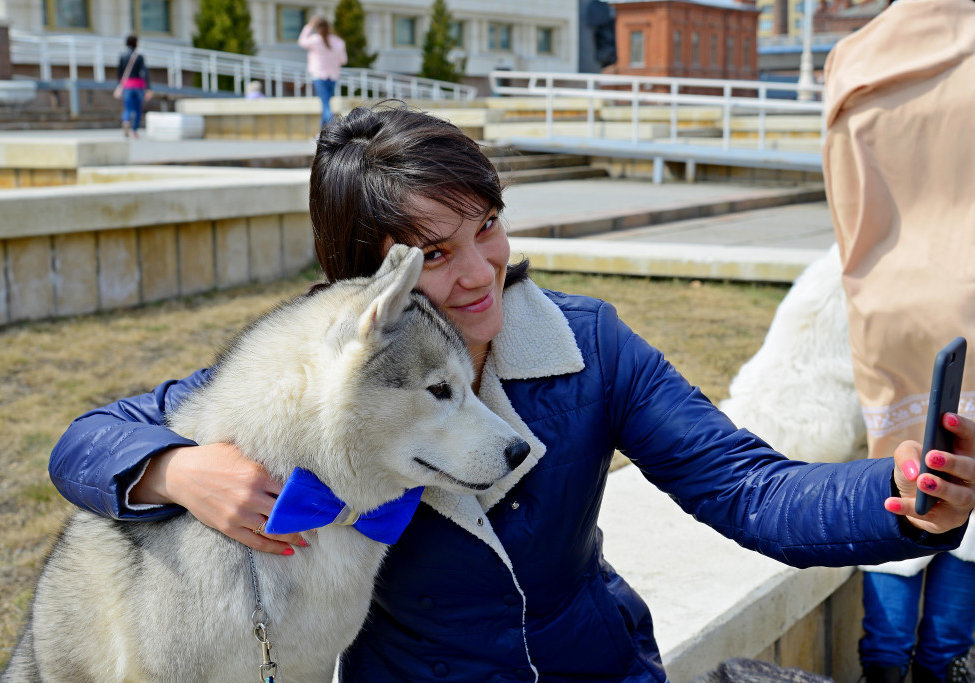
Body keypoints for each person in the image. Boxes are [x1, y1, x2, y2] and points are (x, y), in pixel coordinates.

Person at [49, 104, 975, 682]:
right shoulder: (311, 379)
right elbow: (87, 438)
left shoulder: (588, 343)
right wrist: (171, 467)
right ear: (367, 279)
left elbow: (745, 487)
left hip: (595, 666)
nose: (480, 269)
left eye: (486, 226)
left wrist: (901, 499)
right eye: (436, 252)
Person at [823, 0, 975, 681]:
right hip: (970, 292)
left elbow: (841, 196)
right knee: (967, 480)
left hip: (882, 297)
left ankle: (884, 660)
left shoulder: (854, 54)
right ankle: (937, 663)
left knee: (901, 473)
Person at [298, 16, 347, 129]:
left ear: (317, 28)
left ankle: (334, 129)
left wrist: (309, 25)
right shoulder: (338, 42)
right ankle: (323, 132)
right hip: (333, 77)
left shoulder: (315, 40)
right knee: (326, 105)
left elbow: (301, 41)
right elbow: (343, 60)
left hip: (319, 76)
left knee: (325, 106)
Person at [116, 35, 151, 139]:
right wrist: (148, 88)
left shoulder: (122, 56)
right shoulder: (139, 57)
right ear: (136, 43)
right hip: (139, 85)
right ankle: (134, 131)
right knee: (137, 110)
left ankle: (126, 121)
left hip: (127, 85)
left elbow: (119, 72)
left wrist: (120, 83)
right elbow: (144, 72)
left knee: (127, 108)